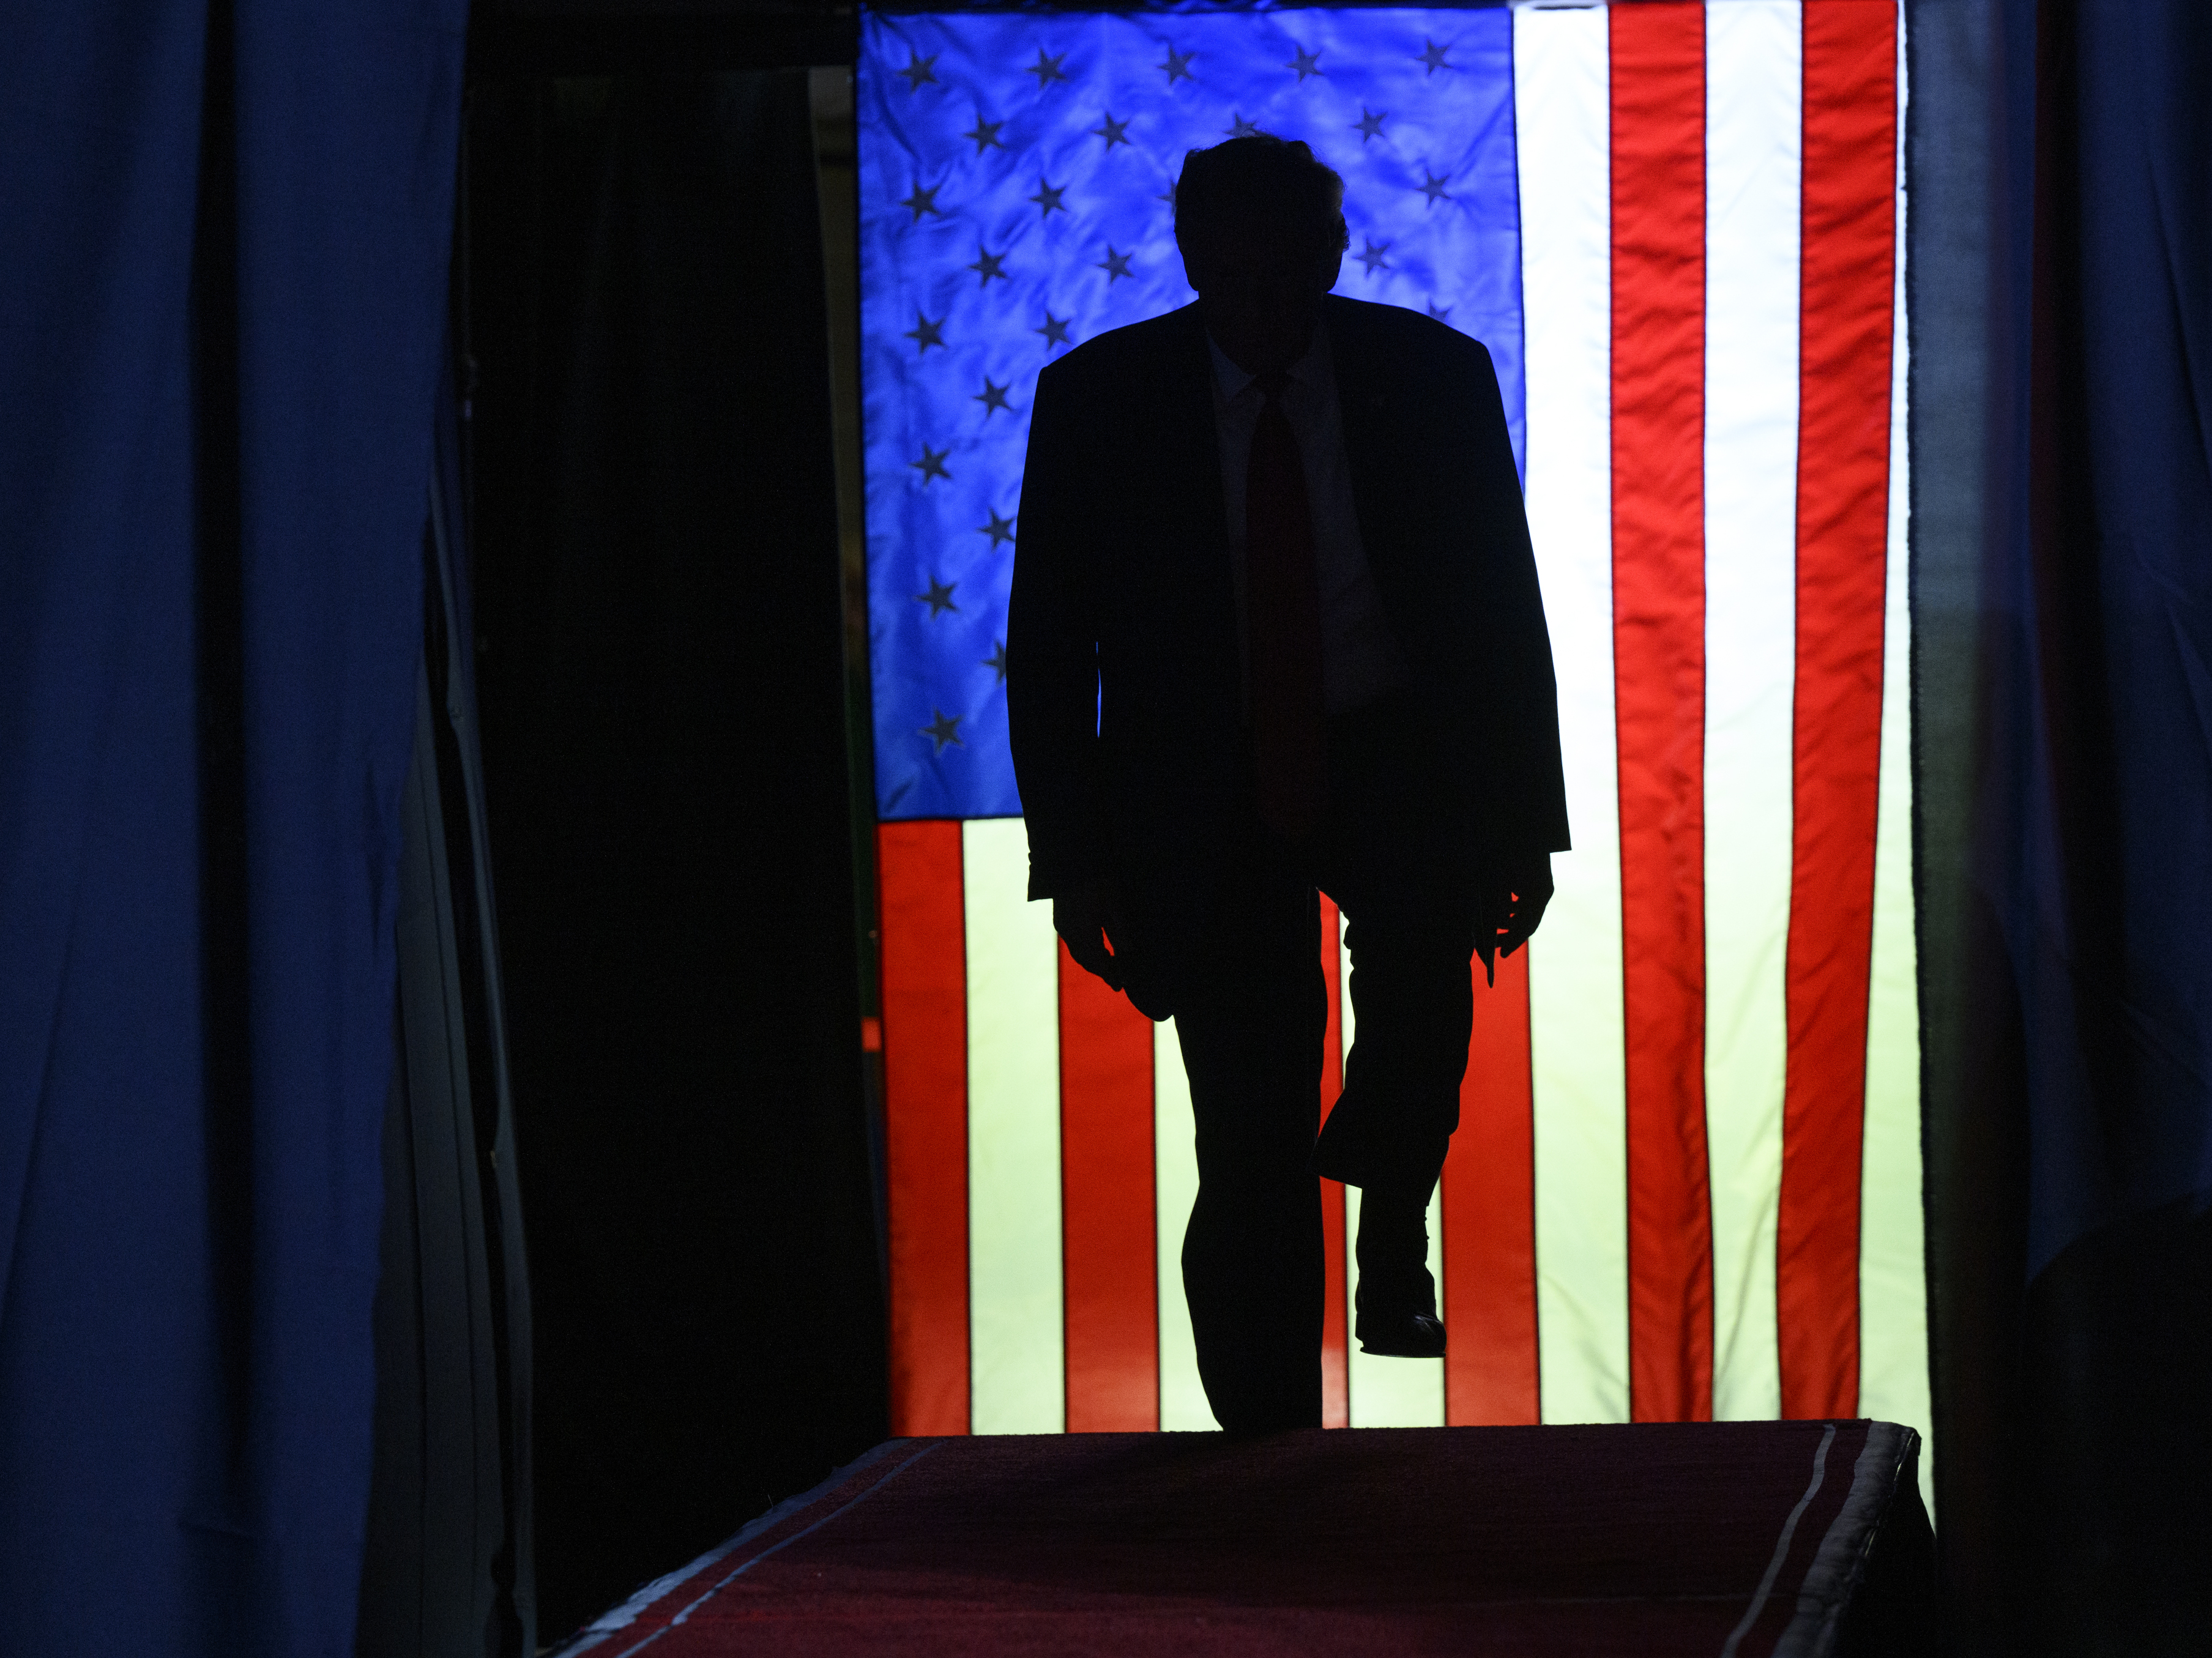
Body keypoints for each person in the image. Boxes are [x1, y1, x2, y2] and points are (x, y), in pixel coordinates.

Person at [1007, 135, 1567, 1433]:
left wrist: (1520, 826)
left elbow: (1497, 610)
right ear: (1190, 257)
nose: (1261, 306)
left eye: (1287, 271)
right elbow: (1047, 640)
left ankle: (1385, 1229)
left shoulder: (1429, 377)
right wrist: (1074, 857)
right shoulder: (1098, 397)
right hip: (1201, 789)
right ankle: (1264, 1434)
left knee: (1423, 1011)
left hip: (1394, 753)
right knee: (1248, 1126)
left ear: (1332, 253)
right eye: (1233, 274)